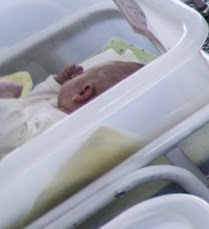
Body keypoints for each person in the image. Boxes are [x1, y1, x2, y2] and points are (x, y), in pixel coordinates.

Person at [0, 59, 142, 157]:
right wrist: (57, 84)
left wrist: (6, 99)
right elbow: (33, 102)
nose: (73, 77)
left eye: (80, 76)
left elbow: (10, 140)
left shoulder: (59, 127)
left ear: (83, 92)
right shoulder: (58, 107)